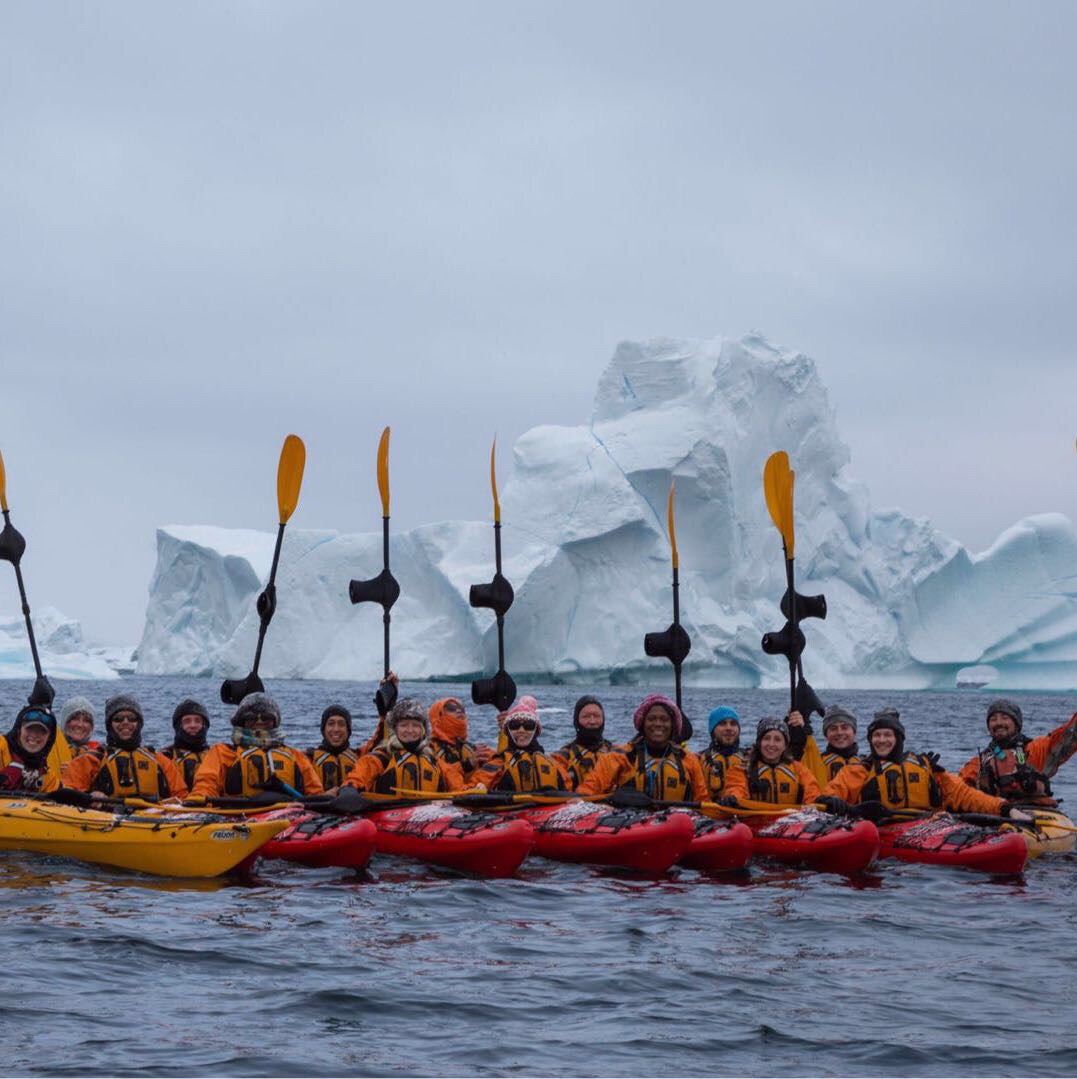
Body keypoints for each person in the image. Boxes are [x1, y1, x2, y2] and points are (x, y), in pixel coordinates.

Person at [818, 708, 1031, 819]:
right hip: (881, 830)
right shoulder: (859, 770)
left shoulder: (923, 765)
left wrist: (1004, 808)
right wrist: (833, 803)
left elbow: (963, 795)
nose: (881, 740)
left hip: (927, 825)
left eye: (887, 735)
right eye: (877, 736)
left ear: (899, 738)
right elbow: (831, 794)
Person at [189, 692, 323, 800]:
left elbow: (315, 793)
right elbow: (206, 784)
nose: (259, 721)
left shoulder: (295, 756)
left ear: (274, 722)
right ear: (242, 721)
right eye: (252, 718)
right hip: (237, 819)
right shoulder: (223, 753)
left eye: (265, 717)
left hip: (289, 818)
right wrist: (197, 801)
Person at [578, 694, 706, 802]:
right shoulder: (619, 757)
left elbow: (704, 801)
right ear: (642, 724)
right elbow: (588, 790)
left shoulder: (689, 760)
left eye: (664, 719)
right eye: (651, 719)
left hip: (677, 826)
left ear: (672, 725)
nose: (658, 724)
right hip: (631, 826)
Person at [62, 694, 187, 800]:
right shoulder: (92, 759)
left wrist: (176, 805)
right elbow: (66, 794)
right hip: (106, 822)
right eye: (118, 719)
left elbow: (181, 795)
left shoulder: (160, 761)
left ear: (139, 723)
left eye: (131, 718)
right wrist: (89, 797)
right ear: (109, 725)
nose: (125, 722)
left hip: (155, 821)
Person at [958, 699, 1077, 806]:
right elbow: (957, 790)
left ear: (1016, 724)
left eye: (1005, 718)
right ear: (989, 727)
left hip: (1036, 814)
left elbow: (1069, 735)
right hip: (998, 817)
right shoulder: (980, 762)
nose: (998, 723)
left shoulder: (1036, 750)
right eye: (993, 719)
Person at [344, 698, 465, 794]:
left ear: (423, 730)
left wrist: (474, 791)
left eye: (416, 725)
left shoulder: (434, 760)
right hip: (388, 818)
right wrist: (349, 790)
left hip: (427, 818)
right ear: (395, 729)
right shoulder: (382, 758)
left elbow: (457, 785)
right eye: (404, 725)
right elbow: (358, 776)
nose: (410, 730)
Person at [473, 699, 570, 793]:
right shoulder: (498, 763)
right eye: (515, 725)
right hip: (510, 807)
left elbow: (570, 791)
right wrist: (479, 787)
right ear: (507, 731)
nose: (521, 730)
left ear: (536, 731)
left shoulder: (553, 765)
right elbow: (472, 786)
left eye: (528, 725)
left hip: (548, 807)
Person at [722, 717, 821, 807]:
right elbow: (736, 788)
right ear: (759, 742)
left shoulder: (799, 770)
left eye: (777, 740)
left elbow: (811, 791)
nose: (771, 744)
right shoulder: (741, 769)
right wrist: (733, 797)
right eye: (766, 738)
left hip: (790, 823)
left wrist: (819, 800)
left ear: (785, 745)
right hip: (753, 824)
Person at [554, 695, 613, 788]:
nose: (592, 721)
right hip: (574, 801)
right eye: (586, 717)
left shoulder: (617, 755)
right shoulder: (562, 757)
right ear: (576, 721)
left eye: (597, 716)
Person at [0, 706, 62, 793]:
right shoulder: (2, 746)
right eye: (29, 728)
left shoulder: (47, 777)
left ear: (49, 738)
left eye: (42, 731)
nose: (34, 735)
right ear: (19, 730)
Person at [428, 697, 491, 781]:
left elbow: (502, 759)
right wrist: (467, 765)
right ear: (439, 715)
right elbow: (435, 774)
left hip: (471, 790)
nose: (459, 711)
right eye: (451, 708)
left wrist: (505, 729)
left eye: (462, 709)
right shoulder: (429, 748)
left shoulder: (470, 748)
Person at [161, 699, 212, 790]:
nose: (193, 725)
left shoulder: (214, 755)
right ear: (178, 726)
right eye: (187, 721)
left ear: (204, 725)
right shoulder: (166, 756)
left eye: (197, 721)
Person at [307, 704, 359, 792]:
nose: (336, 729)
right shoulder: (309, 759)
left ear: (348, 730)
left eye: (341, 724)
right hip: (320, 804)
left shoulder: (359, 757)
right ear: (323, 729)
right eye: (331, 724)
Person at [698, 706, 747, 798]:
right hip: (709, 810)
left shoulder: (749, 759)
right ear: (712, 730)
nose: (728, 728)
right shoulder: (698, 760)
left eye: (733, 724)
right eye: (722, 724)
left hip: (742, 810)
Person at [816, 705, 863, 780]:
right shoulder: (817, 764)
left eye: (844, 728)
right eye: (833, 728)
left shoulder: (866, 764)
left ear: (854, 732)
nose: (839, 732)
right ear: (826, 735)